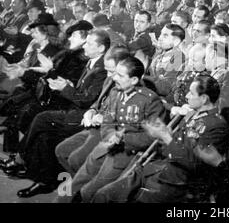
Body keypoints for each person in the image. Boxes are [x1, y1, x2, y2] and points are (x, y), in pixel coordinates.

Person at [91, 74, 229, 203]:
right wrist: (162, 133)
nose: (187, 96)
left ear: (204, 98)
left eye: (191, 93)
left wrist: (166, 137)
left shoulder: (216, 125)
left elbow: (195, 164)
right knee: (102, 195)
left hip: (176, 184)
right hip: (157, 170)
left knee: (107, 197)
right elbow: (177, 144)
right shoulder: (192, 115)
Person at [6, 29, 109, 198]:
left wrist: (65, 88)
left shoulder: (102, 69)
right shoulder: (92, 62)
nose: (85, 46)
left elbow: (88, 100)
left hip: (82, 117)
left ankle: (21, 159)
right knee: (44, 136)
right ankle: (40, 178)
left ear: (101, 48)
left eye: (90, 43)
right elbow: (83, 91)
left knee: (41, 118)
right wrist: (67, 84)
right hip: (75, 110)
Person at [55, 56, 166, 203]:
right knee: (75, 183)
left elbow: (152, 137)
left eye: (120, 75)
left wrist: (123, 139)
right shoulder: (115, 92)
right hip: (105, 147)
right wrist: (111, 135)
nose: (114, 78)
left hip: (125, 154)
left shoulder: (150, 100)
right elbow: (108, 121)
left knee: (90, 192)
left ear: (133, 80)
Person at [54, 45, 130, 175]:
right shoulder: (109, 79)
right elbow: (98, 101)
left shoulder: (131, 87)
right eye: (107, 70)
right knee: (61, 150)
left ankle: (81, 188)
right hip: (94, 127)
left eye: (112, 71)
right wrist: (92, 111)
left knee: (75, 159)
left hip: (109, 132)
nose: (109, 75)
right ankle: (78, 185)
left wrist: (103, 118)